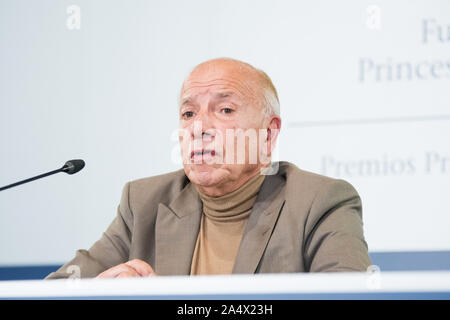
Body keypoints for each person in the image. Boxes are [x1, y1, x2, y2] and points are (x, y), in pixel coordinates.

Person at [45, 58, 371, 279]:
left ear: (268, 134)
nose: (199, 127)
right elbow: (55, 290)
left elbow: (348, 296)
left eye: (225, 109)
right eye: (188, 114)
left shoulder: (320, 202)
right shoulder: (144, 202)